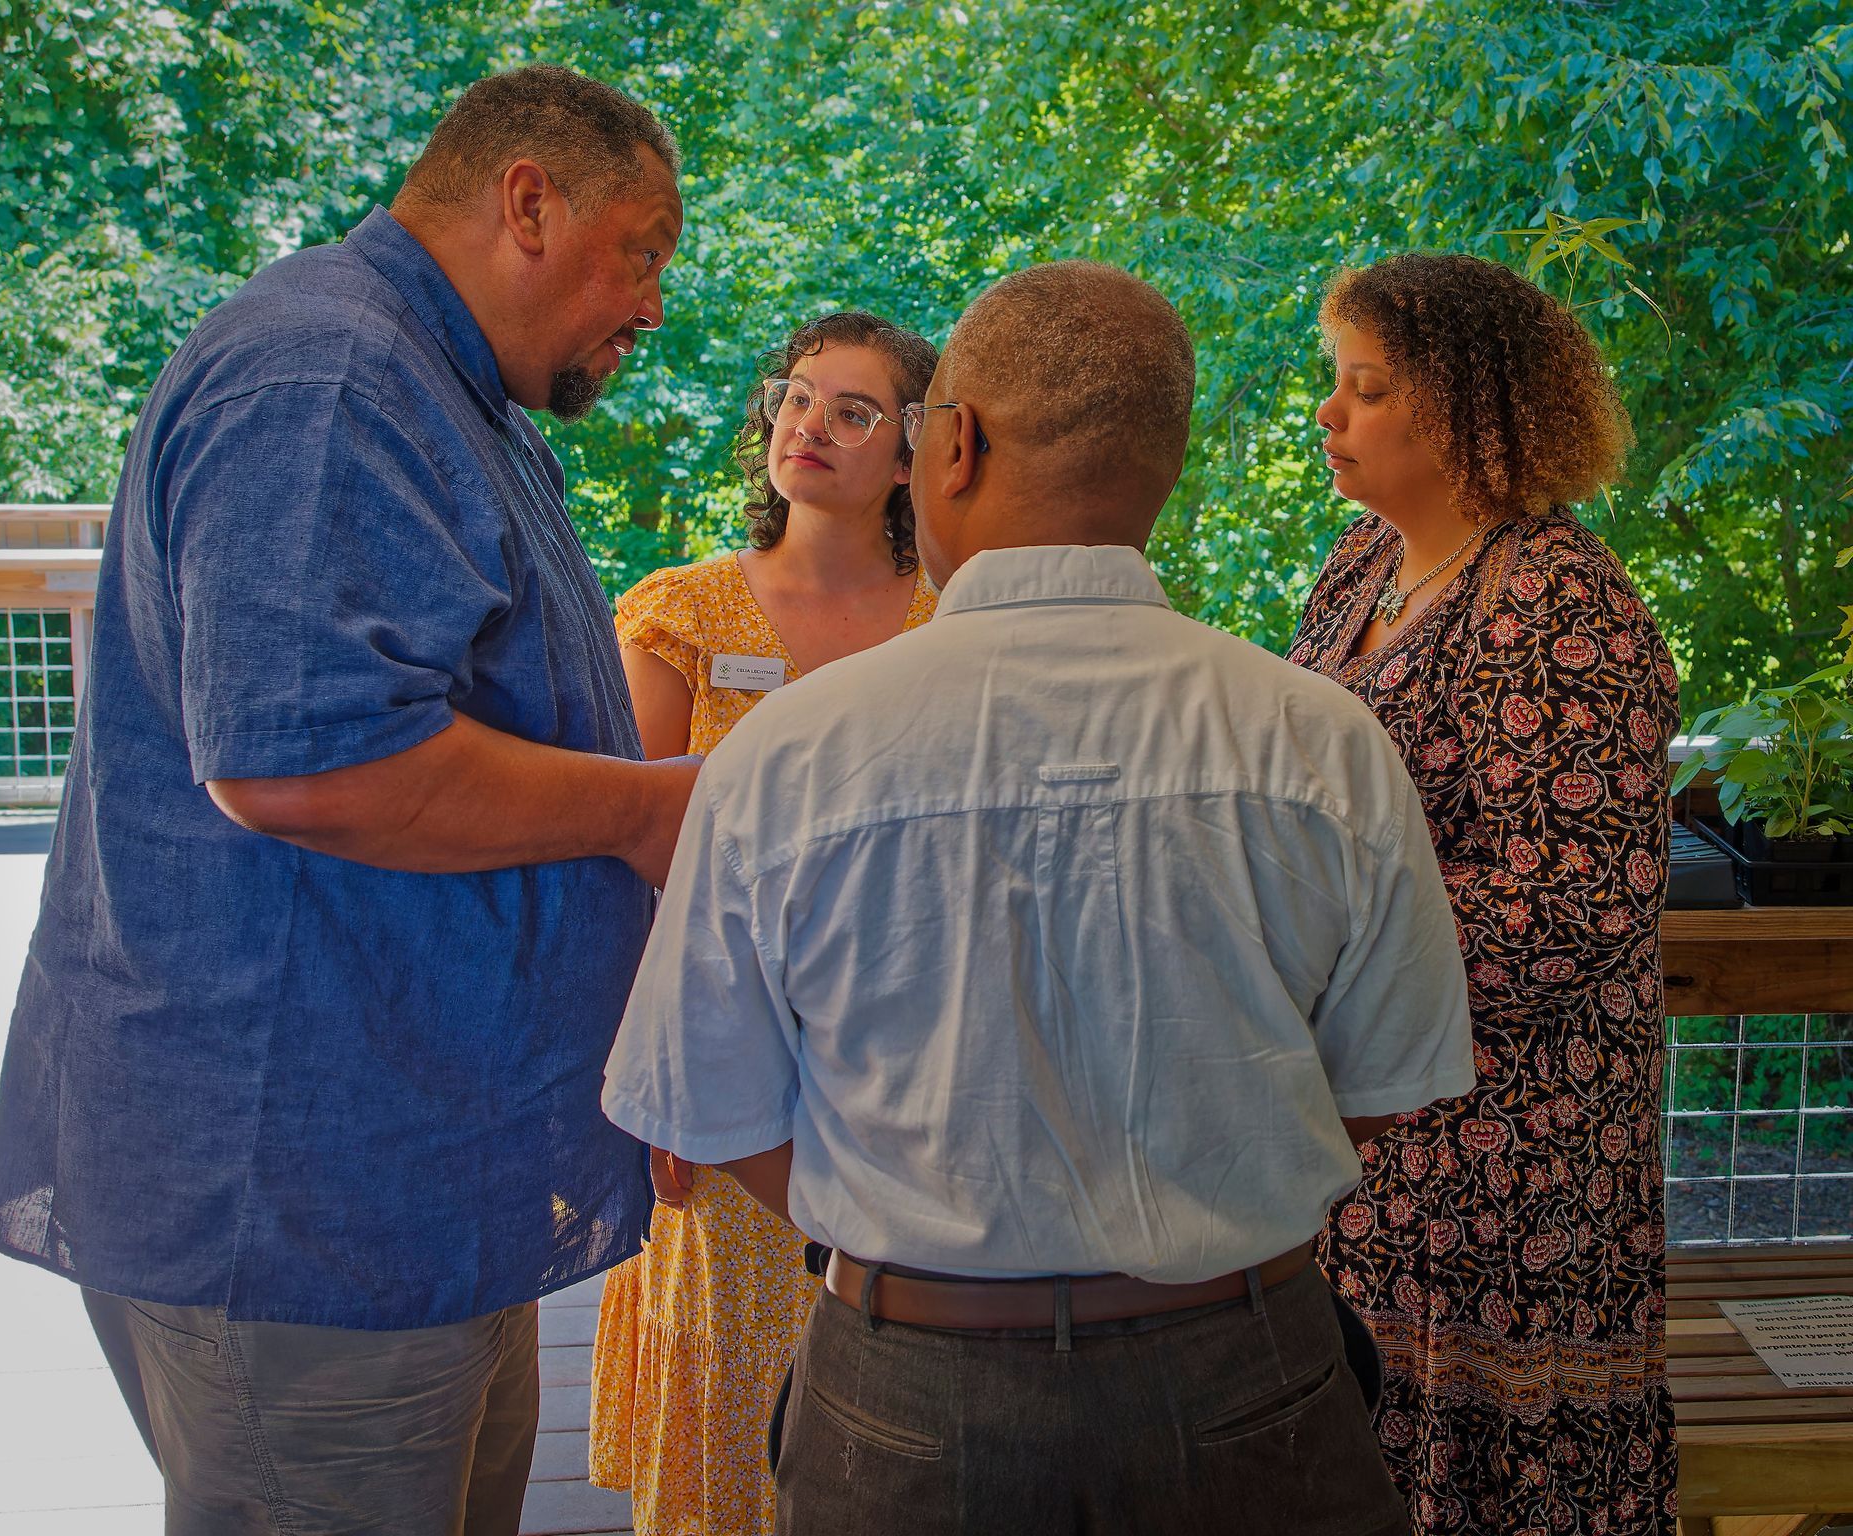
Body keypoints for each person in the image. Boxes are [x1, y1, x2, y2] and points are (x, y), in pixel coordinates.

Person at [599, 260, 1479, 1536]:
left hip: (909, 1385)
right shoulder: (1319, 741)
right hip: (1249, 1371)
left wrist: (909, 1226)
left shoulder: (788, 755)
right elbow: (1388, 1083)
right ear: (1161, 468)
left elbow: (707, 1102)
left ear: (946, 446)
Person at [0, 66, 695, 1536]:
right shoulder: (331, 378)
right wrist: (639, 810)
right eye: (644, 251)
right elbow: (301, 762)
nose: (652, 307)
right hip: (309, 1191)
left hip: (411, 1174)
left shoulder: (432, 384)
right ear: (527, 202)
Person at [1289, 251, 1681, 1534]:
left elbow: (1566, 907)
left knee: (1495, 1478)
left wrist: (1313, 960)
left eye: (1367, 389)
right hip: (1381, 1117)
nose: (1329, 415)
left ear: (1469, 410)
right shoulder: (1362, 564)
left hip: (1516, 1141)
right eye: (1333, 384)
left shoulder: (1565, 604)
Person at [587, 310, 940, 1536]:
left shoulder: (949, 627)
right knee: (730, 1411)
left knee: (886, 1409)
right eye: (797, 399)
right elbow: (624, 858)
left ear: (910, 455)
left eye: (854, 412)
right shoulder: (681, 613)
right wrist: (655, 1079)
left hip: (896, 1070)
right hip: (720, 1062)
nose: (811, 427)